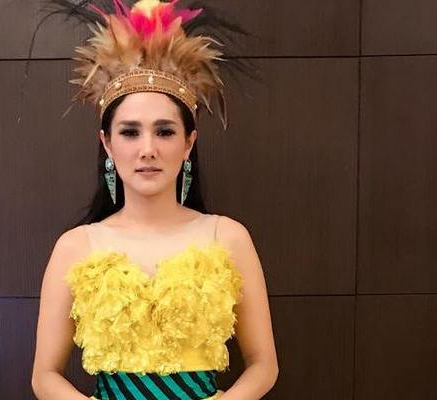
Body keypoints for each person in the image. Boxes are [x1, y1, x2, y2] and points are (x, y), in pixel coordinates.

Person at [31, 1, 278, 399]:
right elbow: (44, 376)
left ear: (188, 143)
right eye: (130, 132)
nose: (147, 149)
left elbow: (264, 364)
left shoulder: (228, 238)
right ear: (107, 143)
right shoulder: (75, 247)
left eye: (164, 132)